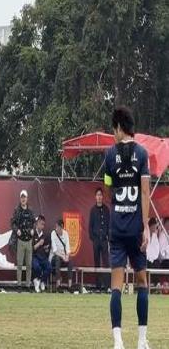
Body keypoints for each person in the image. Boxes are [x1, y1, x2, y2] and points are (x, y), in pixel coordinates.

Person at [104, 106, 151, 349]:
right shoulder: (142, 154)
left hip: (117, 229)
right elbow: (145, 192)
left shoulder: (109, 155)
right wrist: (146, 226)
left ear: (120, 128)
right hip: (136, 229)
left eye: (114, 129)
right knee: (142, 282)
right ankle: (142, 341)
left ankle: (118, 341)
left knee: (116, 286)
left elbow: (108, 188)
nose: (113, 134)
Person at [10, 190, 34, 292]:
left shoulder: (30, 210)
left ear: (27, 198)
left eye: (25, 197)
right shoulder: (17, 210)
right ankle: (19, 285)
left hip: (29, 241)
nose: (23, 199)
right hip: (20, 240)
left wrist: (33, 229)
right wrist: (17, 230)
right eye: (22, 197)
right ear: (20, 199)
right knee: (19, 265)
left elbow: (33, 222)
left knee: (29, 265)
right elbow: (12, 223)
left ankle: (28, 285)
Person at [89, 187, 111, 292]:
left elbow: (109, 225)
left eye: (100, 195)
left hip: (104, 240)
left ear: (103, 197)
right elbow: (90, 226)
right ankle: (98, 286)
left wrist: (108, 238)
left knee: (106, 263)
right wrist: (93, 238)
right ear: (95, 197)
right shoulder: (93, 210)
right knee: (97, 262)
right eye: (97, 195)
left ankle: (107, 286)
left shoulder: (106, 209)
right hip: (96, 240)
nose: (99, 197)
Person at [50, 220, 74, 291]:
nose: (56, 228)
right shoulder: (53, 233)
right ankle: (58, 285)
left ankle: (70, 285)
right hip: (55, 257)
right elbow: (55, 250)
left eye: (57, 227)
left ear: (61, 228)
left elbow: (68, 249)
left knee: (70, 261)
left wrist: (67, 257)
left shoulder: (65, 234)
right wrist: (63, 256)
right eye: (56, 227)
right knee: (57, 259)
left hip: (63, 257)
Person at [31, 215, 51, 293]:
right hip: (35, 256)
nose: (42, 226)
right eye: (41, 224)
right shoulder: (33, 233)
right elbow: (32, 248)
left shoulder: (45, 235)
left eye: (43, 224)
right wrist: (39, 243)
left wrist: (46, 248)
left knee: (49, 267)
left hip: (43, 257)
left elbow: (47, 248)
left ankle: (41, 281)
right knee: (37, 267)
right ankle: (36, 281)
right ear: (37, 223)